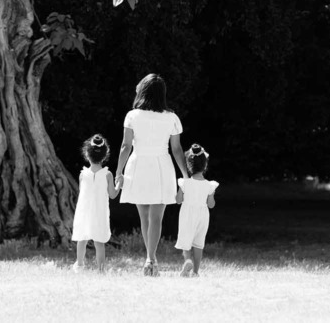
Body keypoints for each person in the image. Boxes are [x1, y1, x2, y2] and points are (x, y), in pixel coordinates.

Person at [115, 73, 189, 276]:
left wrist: (119, 171)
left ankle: (151, 260)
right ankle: (150, 259)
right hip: (161, 166)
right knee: (156, 216)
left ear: (143, 91)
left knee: (144, 216)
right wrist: (185, 177)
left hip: (138, 164)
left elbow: (125, 146)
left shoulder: (132, 115)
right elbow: (177, 149)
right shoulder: (172, 117)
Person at [71, 134, 118, 271]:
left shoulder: (83, 174)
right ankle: (101, 269)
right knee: (99, 242)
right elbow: (113, 194)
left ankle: (79, 265)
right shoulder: (107, 175)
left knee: (82, 239)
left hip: (84, 211)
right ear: (105, 154)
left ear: (87, 153)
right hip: (99, 212)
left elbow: (82, 192)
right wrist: (119, 184)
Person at [175, 143, 219, 277]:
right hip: (203, 215)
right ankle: (195, 272)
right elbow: (211, 205)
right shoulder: (209, 185)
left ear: (189, 165)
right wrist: (211, 195)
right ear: (205, 165)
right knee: (199, 243)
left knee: (185, 239)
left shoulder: (184, 183)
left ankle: (188, 260)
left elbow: (178, 200)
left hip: (187, 214)